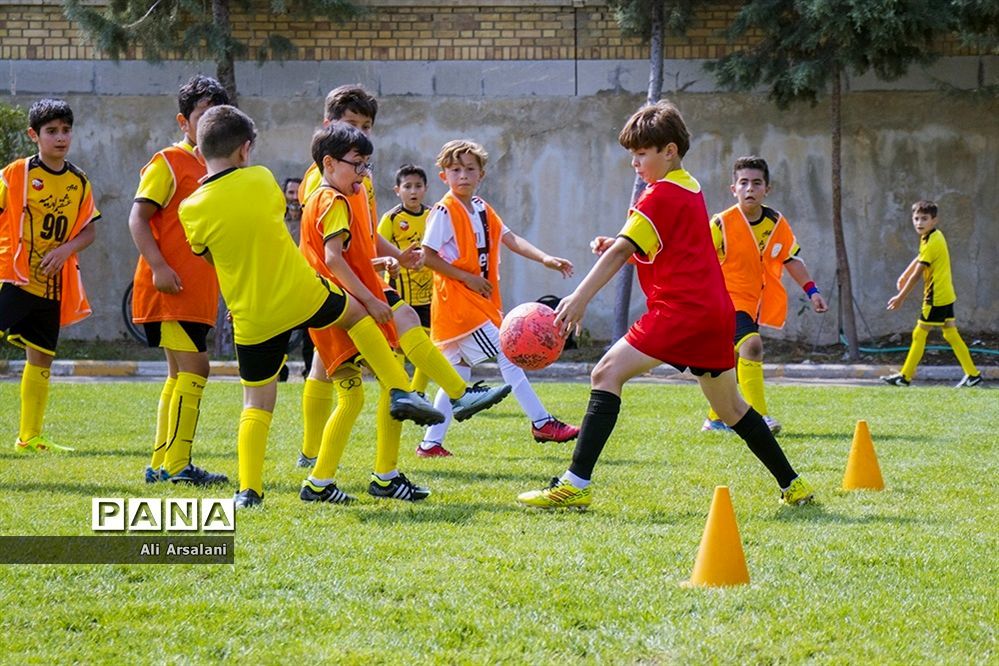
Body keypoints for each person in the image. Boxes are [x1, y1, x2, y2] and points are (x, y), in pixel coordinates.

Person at [516, 100, 814, 510]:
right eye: (633, 154)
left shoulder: (658, 196)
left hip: (681, 312)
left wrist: (579, 298)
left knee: (605, 373)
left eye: (642, 154)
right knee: (730, 408)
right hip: (713, 313)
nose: (635, 163)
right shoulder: (690, 187)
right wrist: (623, 242)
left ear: (669, 150)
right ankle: (793, 486)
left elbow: (623, 251)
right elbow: (671, 247)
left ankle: (575, 483)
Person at [178, 105, 449, 509]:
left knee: (256, 403)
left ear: (201, 150)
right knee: (360, 311)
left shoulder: (190, 208)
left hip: (249, 311)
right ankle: (397, 388)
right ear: (245, 150)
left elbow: (209, 256)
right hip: (301, 292)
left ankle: (249, 491)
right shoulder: (261, 179)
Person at [296, 124, 511, 503]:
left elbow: (356, 243)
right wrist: (371, 297)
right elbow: (333, 258)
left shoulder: (347, 194)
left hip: (344, 299)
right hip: (347, 304)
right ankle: (446, 397)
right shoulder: (332, 199)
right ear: (329, 163)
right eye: (357, 165)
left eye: (366, 165)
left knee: (357, 394)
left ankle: (331, 481)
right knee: (390, 379)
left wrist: (392, 257)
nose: (363, 173)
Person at [419, 139, 579, 458]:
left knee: (459, 372)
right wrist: (468, 278)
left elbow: (510, 239)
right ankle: (542, 422)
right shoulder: (443, 211)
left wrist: (545, 258)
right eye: (455, 170)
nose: (462, 175)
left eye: (469, 169)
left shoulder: (481, 207)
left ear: (481, 174)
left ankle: (430, 444)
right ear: (443, 176)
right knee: (510, 353)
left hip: (478, 303)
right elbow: (427, 256)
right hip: (460, 306)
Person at [128, 75, 229, 485]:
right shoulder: (168, 161)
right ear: (184, 122)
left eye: (217, 118)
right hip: (170, 290)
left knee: (178, 376)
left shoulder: (220, 169)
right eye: (202, 116)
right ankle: (177, 465)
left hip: (199, 293)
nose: (209, 126)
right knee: (196, 369)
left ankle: (161, 463)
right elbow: (137, 217)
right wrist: (158, 267)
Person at [700, 156, 828, 434]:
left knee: (729, 362)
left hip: (751, 302)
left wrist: (812, 290)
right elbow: (697, 259)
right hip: (724, 302)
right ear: (732, 188)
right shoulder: (721, 223)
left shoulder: (775, 222)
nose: (750, 188)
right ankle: (758, 418)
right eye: (743, 183)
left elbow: (791, 258)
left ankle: (715, 418)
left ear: (766, 189)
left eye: (756, 183)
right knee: (752, 346)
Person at [0, 98, 99, 453]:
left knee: (41, 357)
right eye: (51, 131)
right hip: (13, 279)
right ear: (34, 135)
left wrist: (65, 250)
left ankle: (29, 436)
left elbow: (89, 230)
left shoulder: (79, 181)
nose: (60, 138)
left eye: (66, 130)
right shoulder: (15, 174)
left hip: (51, 287)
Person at [295, 84, 380, 468]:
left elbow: (364, 232)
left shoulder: (360, 172)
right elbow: (326, 248)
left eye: (366, 125)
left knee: (322, 367)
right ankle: (452, 394)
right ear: (329, 124)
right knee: (351, 373)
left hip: (354, 283)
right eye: (351, 123)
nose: (360, 132)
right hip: (334, 290)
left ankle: (310, 454)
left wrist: (389, 256)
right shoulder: (324, 178)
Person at [881, 200, 982, 388]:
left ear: (934, 220)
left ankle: (905, 377)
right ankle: (973, 374)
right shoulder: (932, 237)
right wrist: (903, 274)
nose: (919, 223)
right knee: (951, 333)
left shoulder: (932, 241)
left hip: (935, 297)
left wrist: (900, 297)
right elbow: (920, 257)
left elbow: (917, 275)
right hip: (946, 294)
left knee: (919, 333)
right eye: (916, 218)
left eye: (924, 219)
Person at [377, 164, 435, 395]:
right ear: (397, 190)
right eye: (408, 186)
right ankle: (397, 390)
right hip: (399, 294)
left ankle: (418, 392)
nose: (413, 191)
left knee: (429, 347)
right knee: (398, 345)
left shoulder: (433, 216)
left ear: (425, 189)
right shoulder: (391, 218)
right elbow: (377, 249)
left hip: (429, 294)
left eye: (418, 186)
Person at [278, 175, 311, 381]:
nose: (294, 198)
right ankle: (279, 372)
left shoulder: (310, 218)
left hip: (308, 282)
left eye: (298, 193)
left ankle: (310, 372)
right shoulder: (276, 219)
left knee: (311, 334)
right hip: (282, 283)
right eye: (290, 193)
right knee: (280, 331)